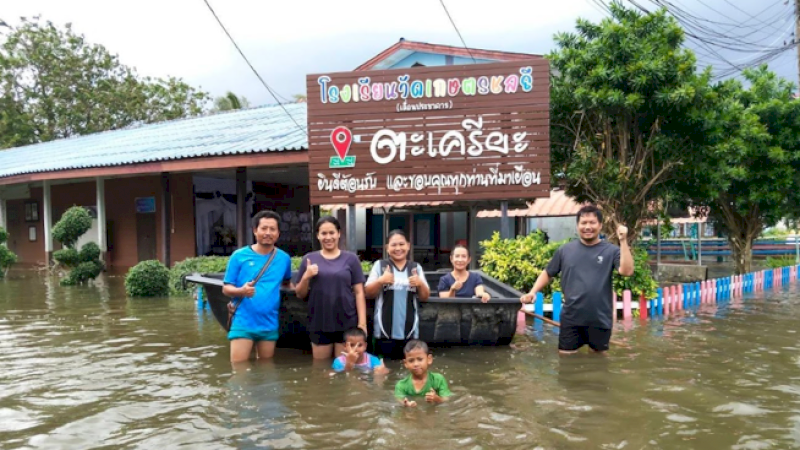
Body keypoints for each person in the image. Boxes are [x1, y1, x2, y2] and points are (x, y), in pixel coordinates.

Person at [521, 205, 634, 354]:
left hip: (600, 319)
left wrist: (623, 241)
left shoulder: (611, 251)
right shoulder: (565, 250)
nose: (588, 227)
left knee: (599, 363)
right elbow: (548, 273)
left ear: (600, 225)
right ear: (577, 225)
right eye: (583, 223)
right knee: (566, 362)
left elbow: (627, 271)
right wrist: (533, 292)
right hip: (571, 318)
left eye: (592, 223)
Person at [222, 210, 293, 363]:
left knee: (266, 370)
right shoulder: (239, 256)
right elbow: (226, 288)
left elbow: (287, 282)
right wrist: (241, 291)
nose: (268, 233)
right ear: (255, 230)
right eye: (264, 228)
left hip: (269, 322)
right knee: (239, 371)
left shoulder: (284, 258)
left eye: (272, 229)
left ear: (278, 233)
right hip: (243, 321)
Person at [293, 216, 367, 360]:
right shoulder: (309, 259)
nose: (328, 237)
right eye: (324, 233)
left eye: (332, 233)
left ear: (339, 233)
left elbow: (359, 292)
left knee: (346, 369)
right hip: (319, 321)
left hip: (347, 321)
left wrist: (362, 324)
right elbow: (300, 294)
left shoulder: (351, 259)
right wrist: (306, 276)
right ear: (318, 235)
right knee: (321, 371)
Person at [364, 230, 431, 360]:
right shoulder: (380, 266)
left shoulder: (415, 268)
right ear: (387, 248)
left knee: (409, 370)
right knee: (384, 372)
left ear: (408, 246)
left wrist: (420, 284)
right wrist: (380, 281)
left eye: (401, 244)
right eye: (394, 245)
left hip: (410, 331)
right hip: (383, 332)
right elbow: (368, 293)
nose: (398, 248)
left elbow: (425, 296)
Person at [395, 339, 452, 407]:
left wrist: (437, 399)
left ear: (429, 359)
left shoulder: (438, 380)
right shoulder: (401, 385)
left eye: (420, 359)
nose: (416, 364)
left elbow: (447, 399)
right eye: (411, 361)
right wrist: (406, 404)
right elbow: (399, 400)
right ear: (405, 363)